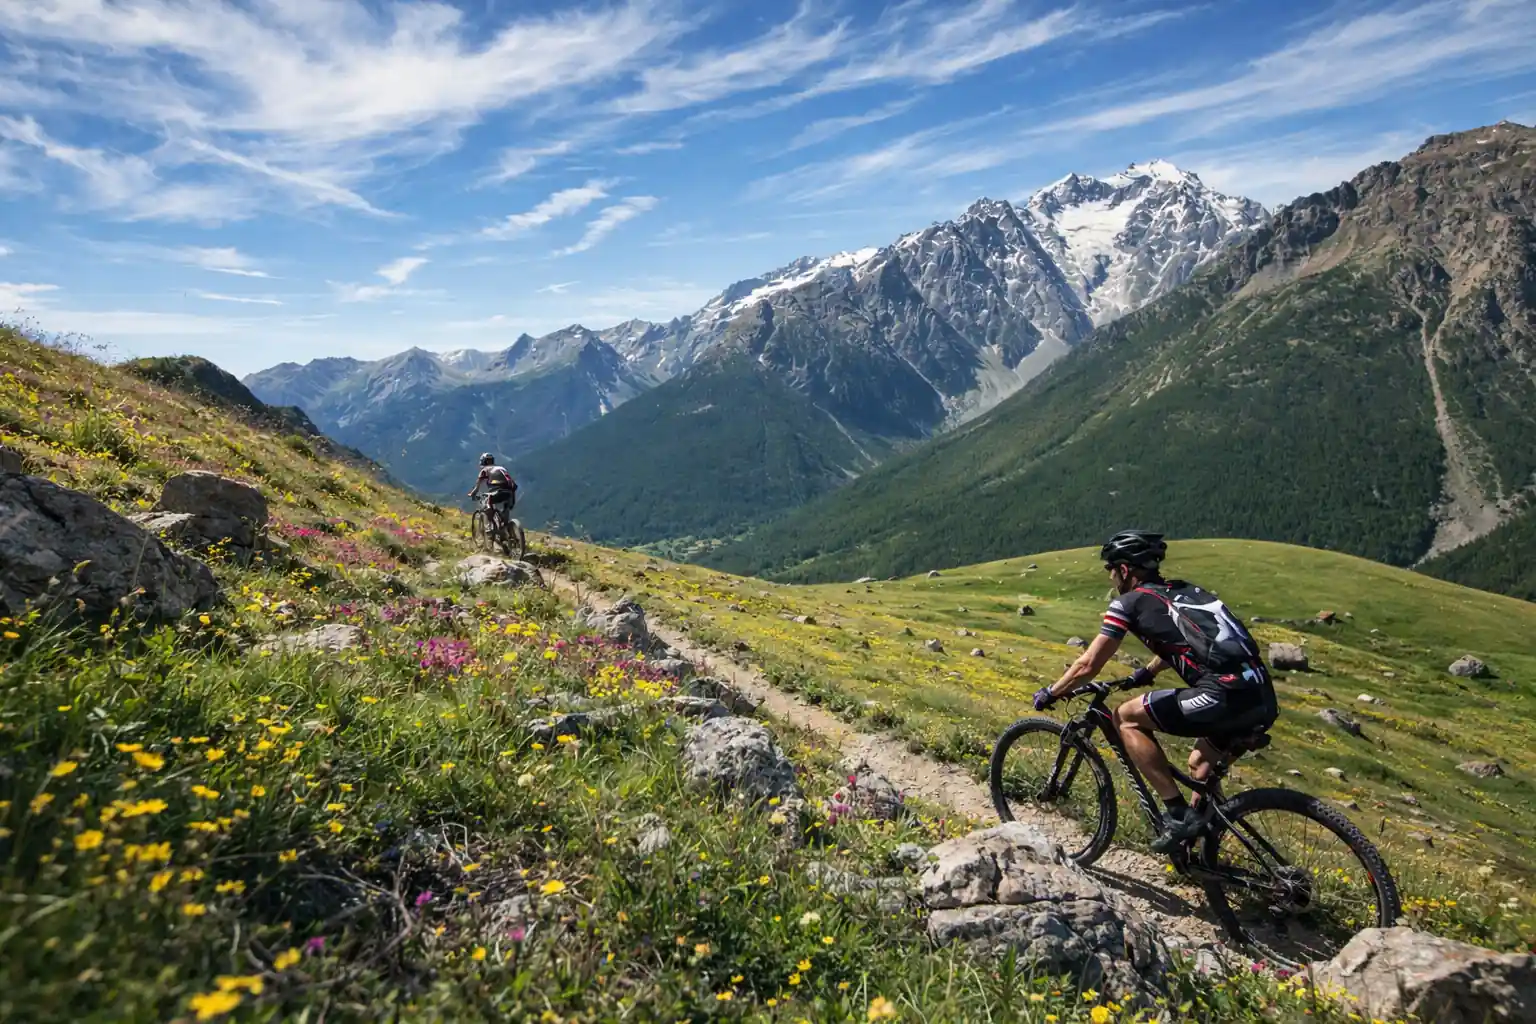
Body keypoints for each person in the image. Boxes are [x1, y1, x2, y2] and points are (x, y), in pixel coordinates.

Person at [1031, 530, 1277, 853]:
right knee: (1200, 765)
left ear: (1124, 570)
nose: (1110, 577)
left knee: (1125, 718)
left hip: (1223, 695)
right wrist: (1146, 673)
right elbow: (1186, 639)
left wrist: (1053, 691)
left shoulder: (1127, 603)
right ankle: (1201, 853)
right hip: (1260, 693)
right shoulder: (1182, 591)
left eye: (1111, 569)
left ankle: (1177, 815)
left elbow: (1088, 665)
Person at [467, 453, 517, 533]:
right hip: (511, 491)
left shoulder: (485, 470)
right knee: (506, 510)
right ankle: (507, 530)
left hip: (498, 491)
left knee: (488, 504)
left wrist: (472, 494)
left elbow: (477, 487)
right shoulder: (502, 468)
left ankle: (489, 527)